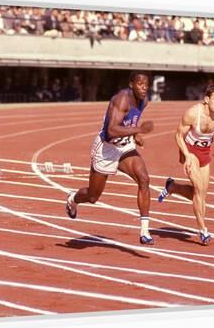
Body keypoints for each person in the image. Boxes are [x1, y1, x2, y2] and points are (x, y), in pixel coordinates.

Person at [65, 72, 155, 245]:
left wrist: (134, 135)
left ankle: (144, 231)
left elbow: (131, 121)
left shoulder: (144, 101)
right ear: (131, 85)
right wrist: (139, 130)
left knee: (144, 178)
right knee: (93, 196)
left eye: (146, 84)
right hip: (106, 149)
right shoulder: (121, 100)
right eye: (140, 83)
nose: (144, 87)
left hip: (124, 147)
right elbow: (111, 131)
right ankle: (73, 198)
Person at [157, 83, 214, 245]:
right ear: (206, 99)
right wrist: (187, 155)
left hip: (205, 155)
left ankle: (172, 187)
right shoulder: (192, 114)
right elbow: (178, 135)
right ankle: (203, 230)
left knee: (201, 194)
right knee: (198, 189)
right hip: (190, 152)